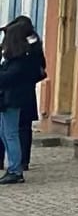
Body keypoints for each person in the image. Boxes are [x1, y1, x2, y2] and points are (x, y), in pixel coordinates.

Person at [0, 16, 46, 184]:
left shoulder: (21, 60)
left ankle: (15, 170)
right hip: (10, 99)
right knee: (5, 132)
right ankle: (15, 166)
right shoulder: (19, 57)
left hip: (12, 100)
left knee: (11, 134)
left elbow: (7, 78)